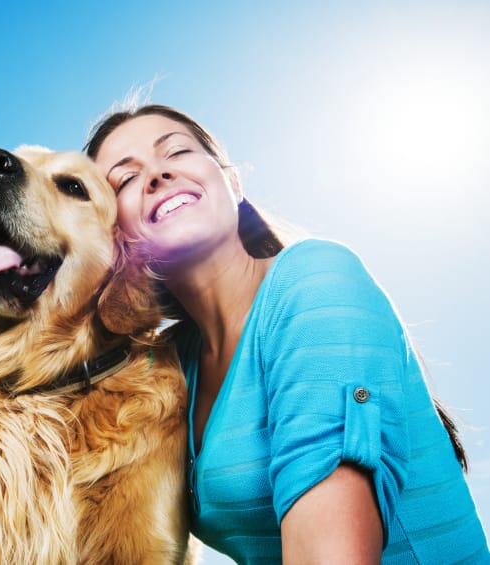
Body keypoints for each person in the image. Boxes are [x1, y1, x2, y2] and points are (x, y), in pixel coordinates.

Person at [85, 103, 489, 563]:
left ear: (233, 183)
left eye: (176, 152)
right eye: (125, 179)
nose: (156, 175)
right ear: (116, 236)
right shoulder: (168, 366)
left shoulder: (316, 280)